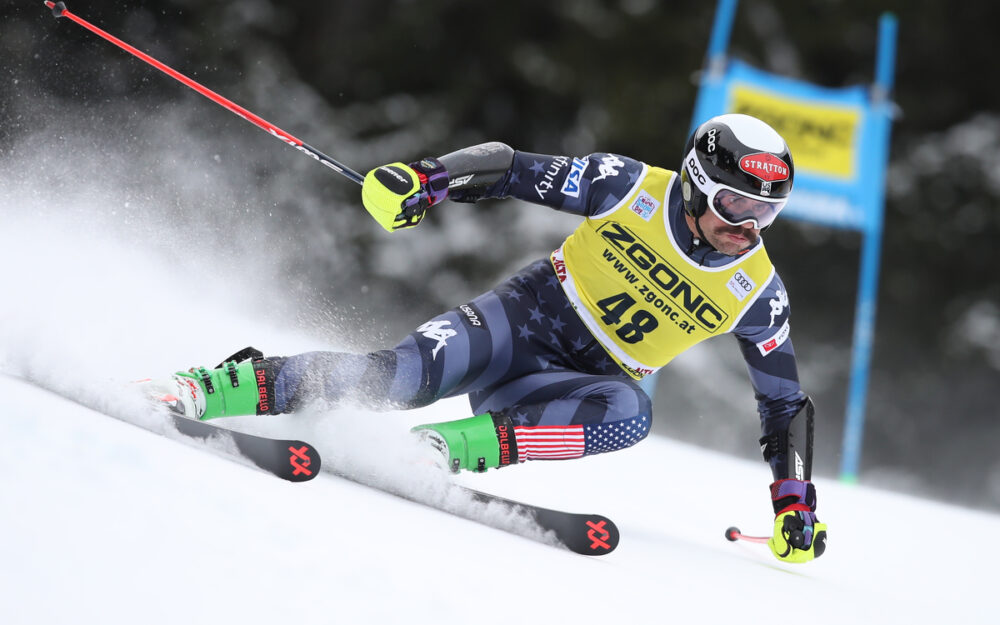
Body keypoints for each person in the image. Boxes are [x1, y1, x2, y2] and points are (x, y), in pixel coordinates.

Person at [151, 113, 827, 563]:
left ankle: (442, 451)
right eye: (738, 205)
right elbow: (510, 167)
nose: (750, 225)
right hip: (515, 323)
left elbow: (784, 404)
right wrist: (425, 180)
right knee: (396, 378)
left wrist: (794, 506)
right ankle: (214, 386)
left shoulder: (756, 292)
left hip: (566, 386)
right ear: (696, 184)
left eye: (768, 211)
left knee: (631, 414)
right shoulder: (626, 188)